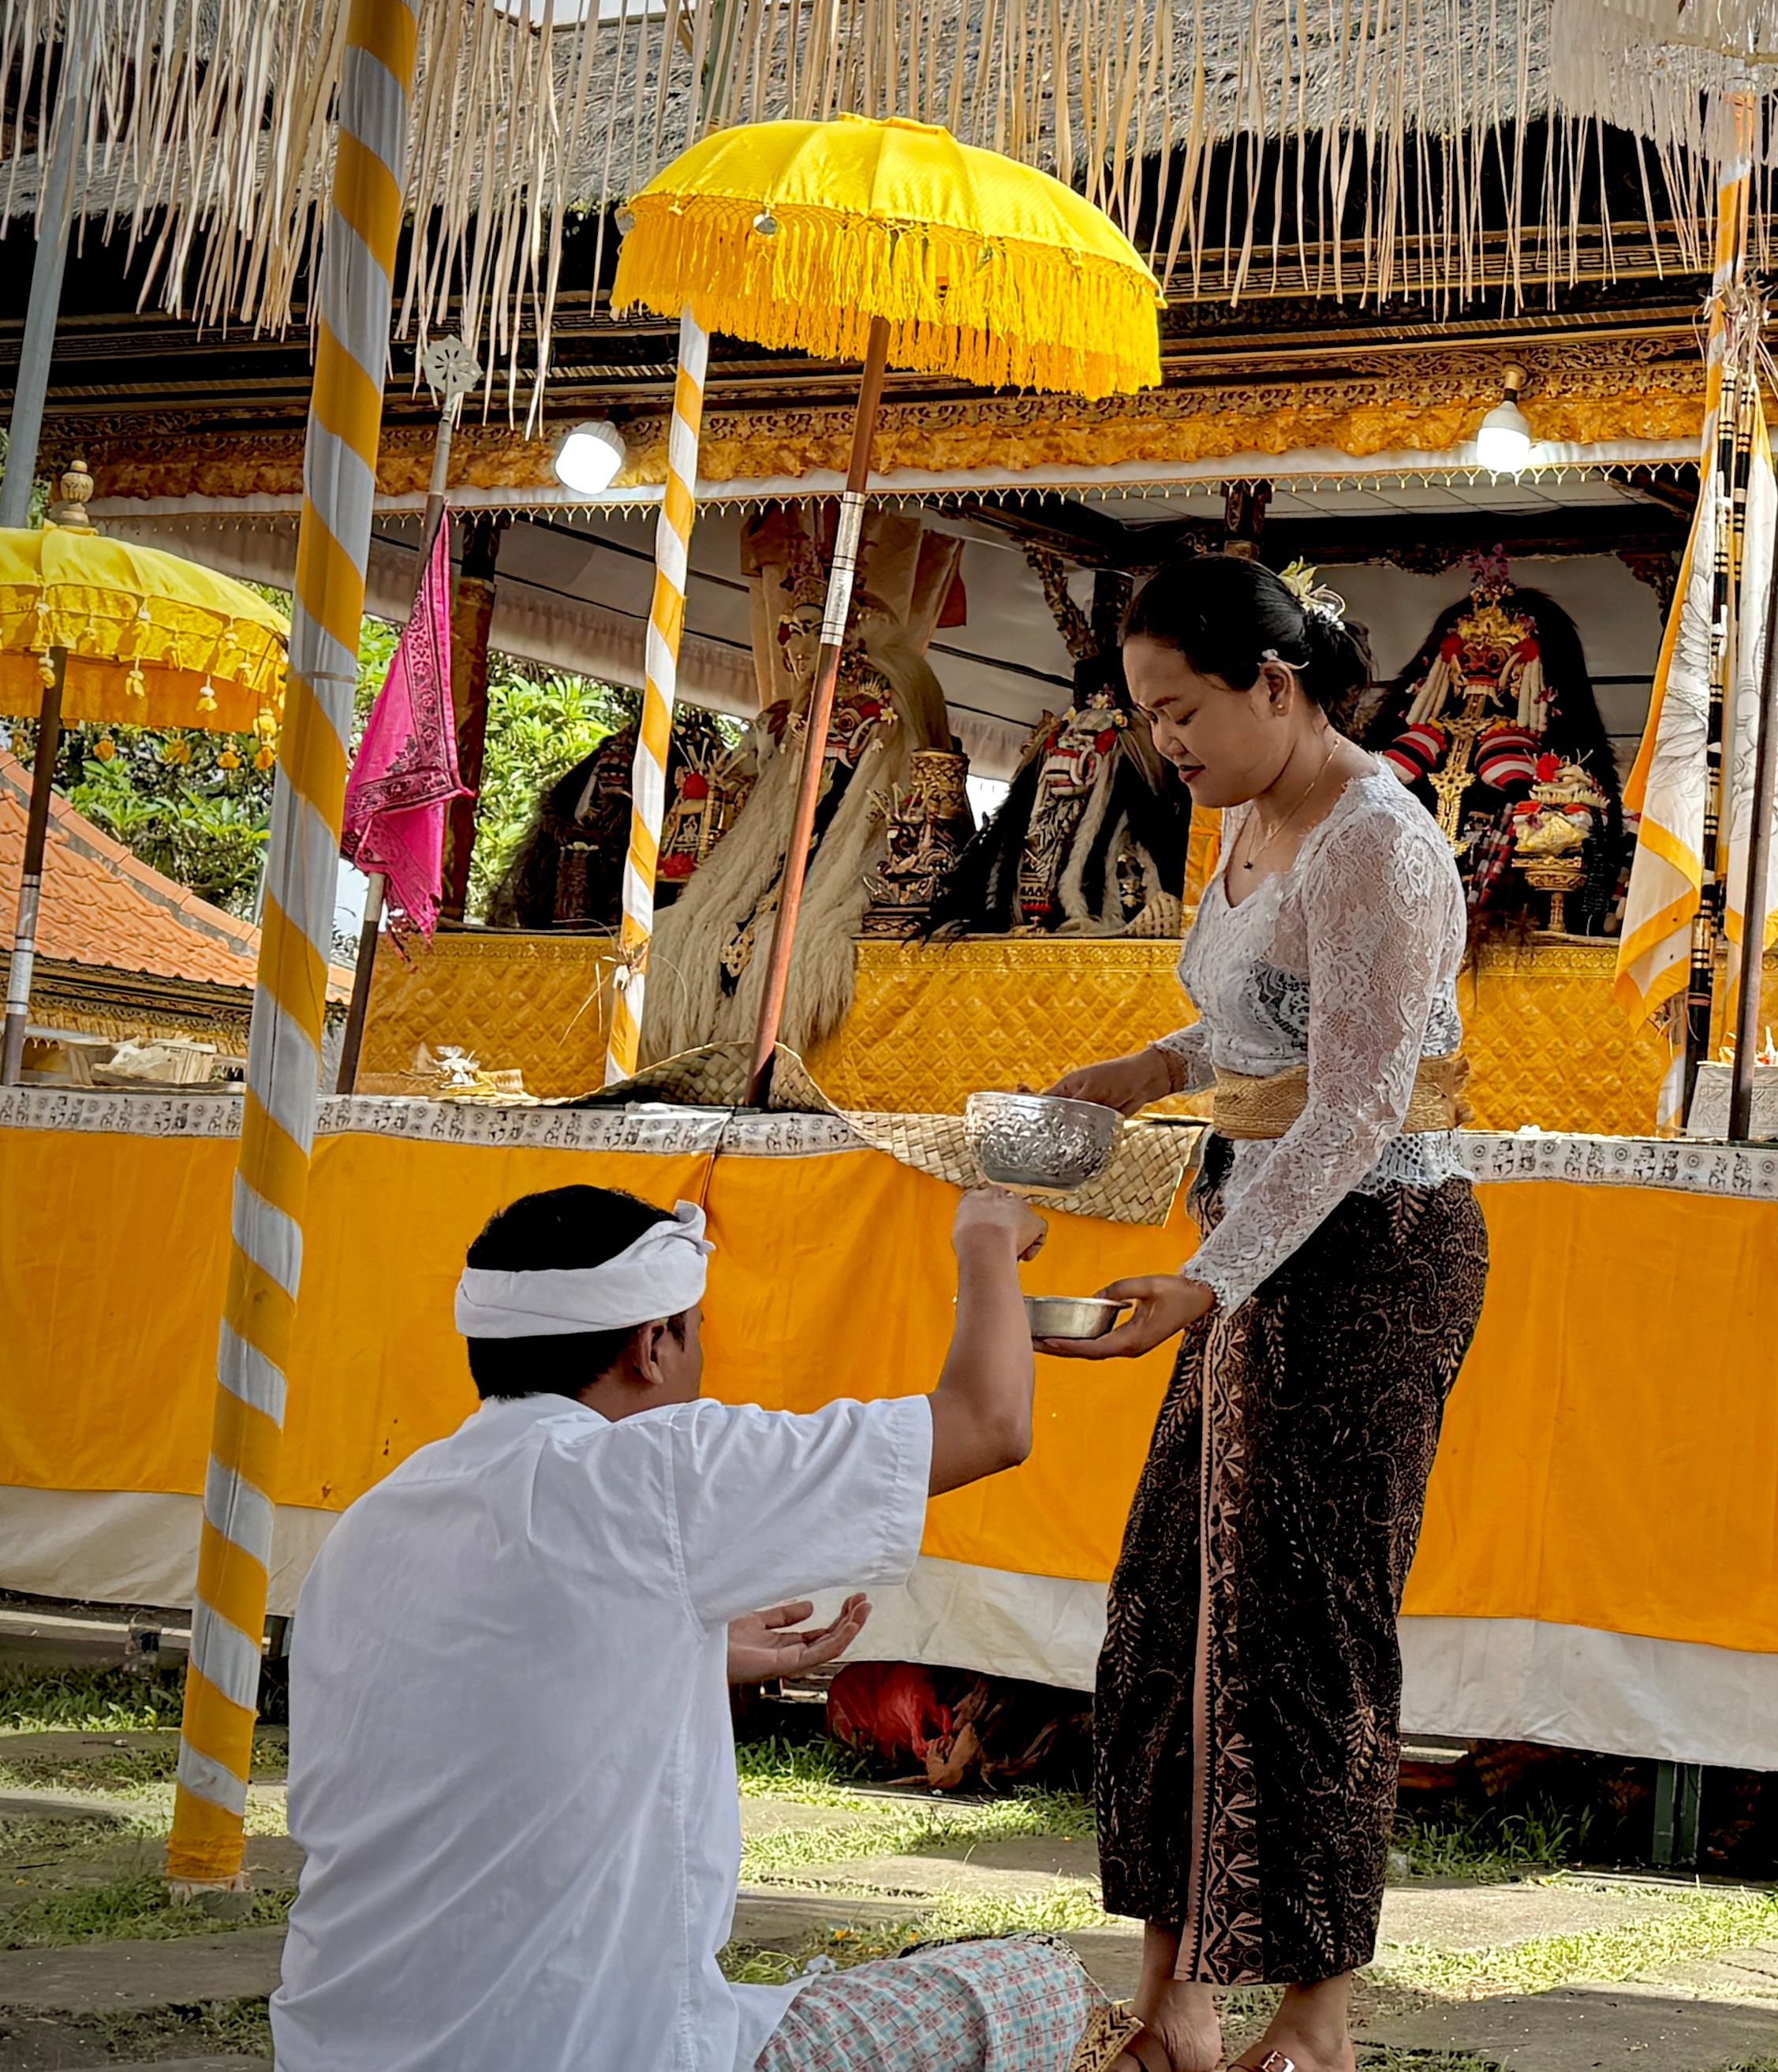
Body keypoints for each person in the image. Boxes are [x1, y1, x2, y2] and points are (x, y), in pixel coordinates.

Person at [271, 1182, 1096, 2072]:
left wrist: (684, 1646)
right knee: (1040, 1987)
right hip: (593, 2053)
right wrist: (984, 1238)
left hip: (336, 2047)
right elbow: (988, 1421)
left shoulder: (373, 1523)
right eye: (697, 1329)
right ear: (650, 1344)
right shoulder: (653, 1472)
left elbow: (473, 1696)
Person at [1043, 554, 1489, 2072]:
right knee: (1172, 1601)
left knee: (1303, 1627)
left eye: (1179, 710)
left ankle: (1316, 2019)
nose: (1163, 742)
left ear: (1275, 687)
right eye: (1145, 715)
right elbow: (1263, 1017)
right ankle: (1173, 1992)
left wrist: (1207, 1281)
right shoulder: (1242, 813)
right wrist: (1147, 1073)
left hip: (1370, 1255)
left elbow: (1364, 1099)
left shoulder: (1380, 843)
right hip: (1250, 1241)